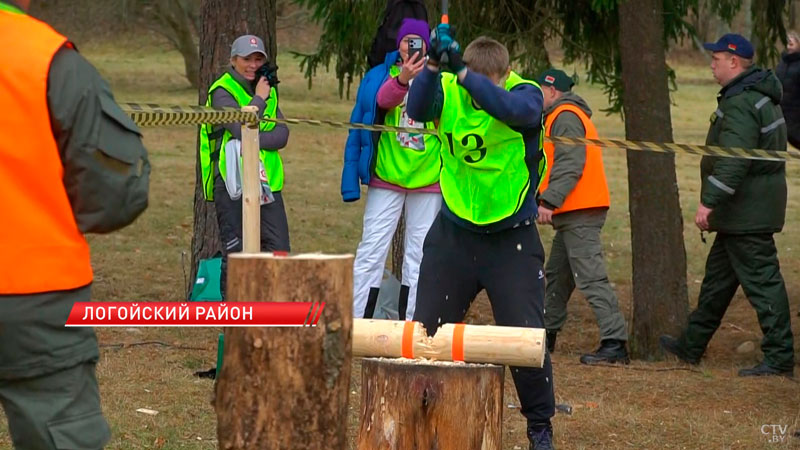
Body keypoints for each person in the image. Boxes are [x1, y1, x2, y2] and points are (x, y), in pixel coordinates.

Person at [0, 0, 151, 448]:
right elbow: (116, 194)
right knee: (59, 433)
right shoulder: (45, 58)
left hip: (36, 292)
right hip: (36, 296)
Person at [408, 31, 556, 449]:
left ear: (505, 75)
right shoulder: (452, 89)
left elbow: (507, 108)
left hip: (512, 239)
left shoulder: (524, 94)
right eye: (473, 85)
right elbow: (418, 109)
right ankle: (424, 413)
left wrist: (466, 75)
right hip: (454, 233)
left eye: (486, 84)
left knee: (525, 340)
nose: (477, 96)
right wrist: (433, 68)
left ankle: (540, 428)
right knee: (428, 334)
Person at [660, 34, 794, 378]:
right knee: (717, 286)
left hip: (747, 214)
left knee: (763, 284)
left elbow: (734, 161)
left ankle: (779, 357)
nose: (711, 64)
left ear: (734, 62)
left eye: (716, 59)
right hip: (742, 214)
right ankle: (691, 347)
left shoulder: (743, 103)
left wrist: (708, 202)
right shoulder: (755, 96)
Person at [343, 18, 442, 320]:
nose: (411, 46)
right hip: (386, 177)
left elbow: (442, 112)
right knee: (371, 250)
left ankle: (412, 323)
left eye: (418, 41)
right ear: (397, 43)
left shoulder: (441, 76)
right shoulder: (380, 75)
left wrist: (427, 77)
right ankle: (358, 322)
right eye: (406, 40)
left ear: (427, 45)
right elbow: (377, 105)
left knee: (420, 255)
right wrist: (402, 79)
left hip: (428, 180)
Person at [535, 68, 629, 365]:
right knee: (558, 275)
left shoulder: (565, 117)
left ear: (551, 91)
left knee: (590, 277)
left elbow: (571, 163)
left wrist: (549, 200)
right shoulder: (564, 116)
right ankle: (544, 335)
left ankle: (615, 342)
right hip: (573, 210)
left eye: (539, 90)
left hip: (580, 209)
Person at [199, 35, 290, 297]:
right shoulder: (222, 91)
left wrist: (257, 135)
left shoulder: (267, 90)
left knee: (279, 250)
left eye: (258, 59)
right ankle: (235, 326)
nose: (252, 64)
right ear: (233, 60)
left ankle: (271, 320)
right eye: (246, 59)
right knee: (238, 256)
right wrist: (259, 100)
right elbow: (240, 129)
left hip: (267, 184)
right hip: (232, 185)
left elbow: (282, 135)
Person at [776, 30, 800, 149]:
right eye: (787, 44)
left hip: (796, 112)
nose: (788, 47)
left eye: (791, 44)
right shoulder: (783, 62)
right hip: (781, 109)